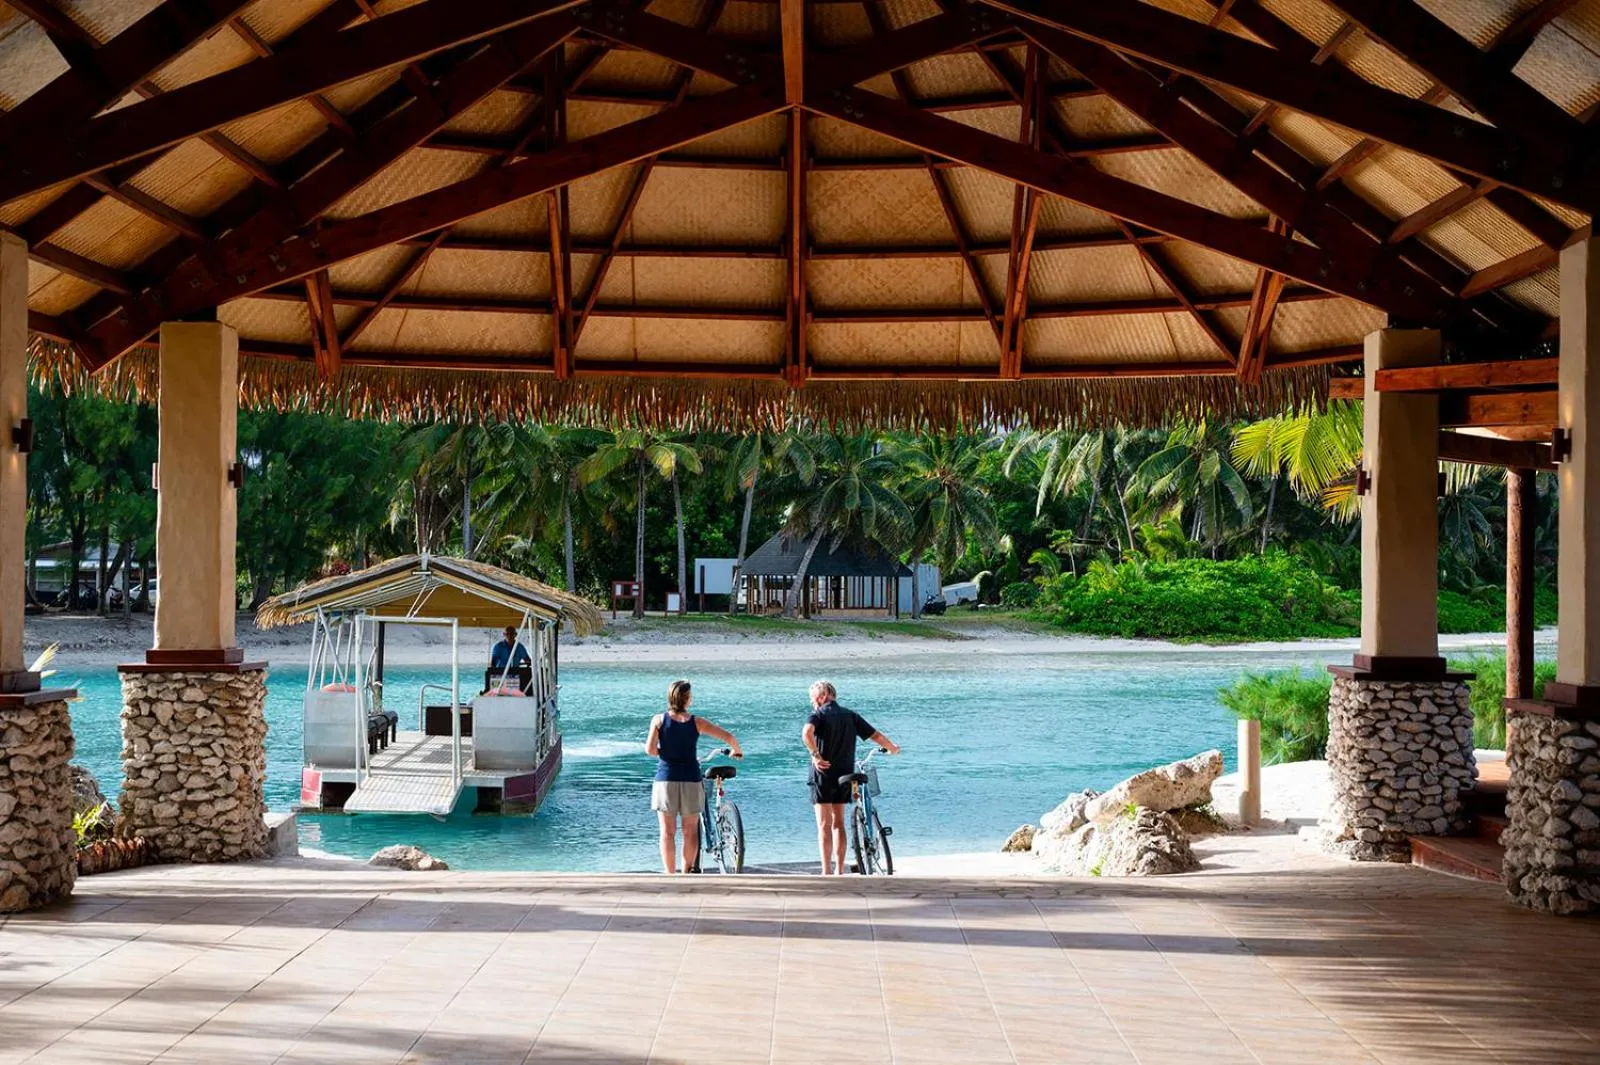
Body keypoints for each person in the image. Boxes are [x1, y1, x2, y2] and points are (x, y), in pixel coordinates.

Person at [802, 680, 900, 875]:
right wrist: (893, 748)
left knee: (824, 825)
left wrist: (815, 755)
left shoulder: (818, 715)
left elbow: (806, 733)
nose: (813, 703)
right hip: (845, 775)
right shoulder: (851, 716)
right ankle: (839, 870)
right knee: (838, 823)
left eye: (813, 699)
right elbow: (876, 736)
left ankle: (826, 872)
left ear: (823, 696)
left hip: (823, 775)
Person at [645, 680, 742, 874]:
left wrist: (667, 754)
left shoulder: (659, 720)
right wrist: (736, 751)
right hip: (690, 779)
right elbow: (729, 737)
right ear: (687, 699)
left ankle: (669, 873)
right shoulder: (696, 722)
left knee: (667, 832)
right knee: (690, 832)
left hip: (666, 780)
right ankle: (685, 873)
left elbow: (649, 750)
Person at [486, 625, 532, 693]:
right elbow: (493, 663)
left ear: (515, 635)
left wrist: (529, 662)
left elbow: (527, 660)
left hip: (516, 676)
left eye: (512, 634)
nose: (510, 636)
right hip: (500, 675)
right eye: (507, 634)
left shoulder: (520, 647)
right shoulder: (498, 647)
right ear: (504, 634)